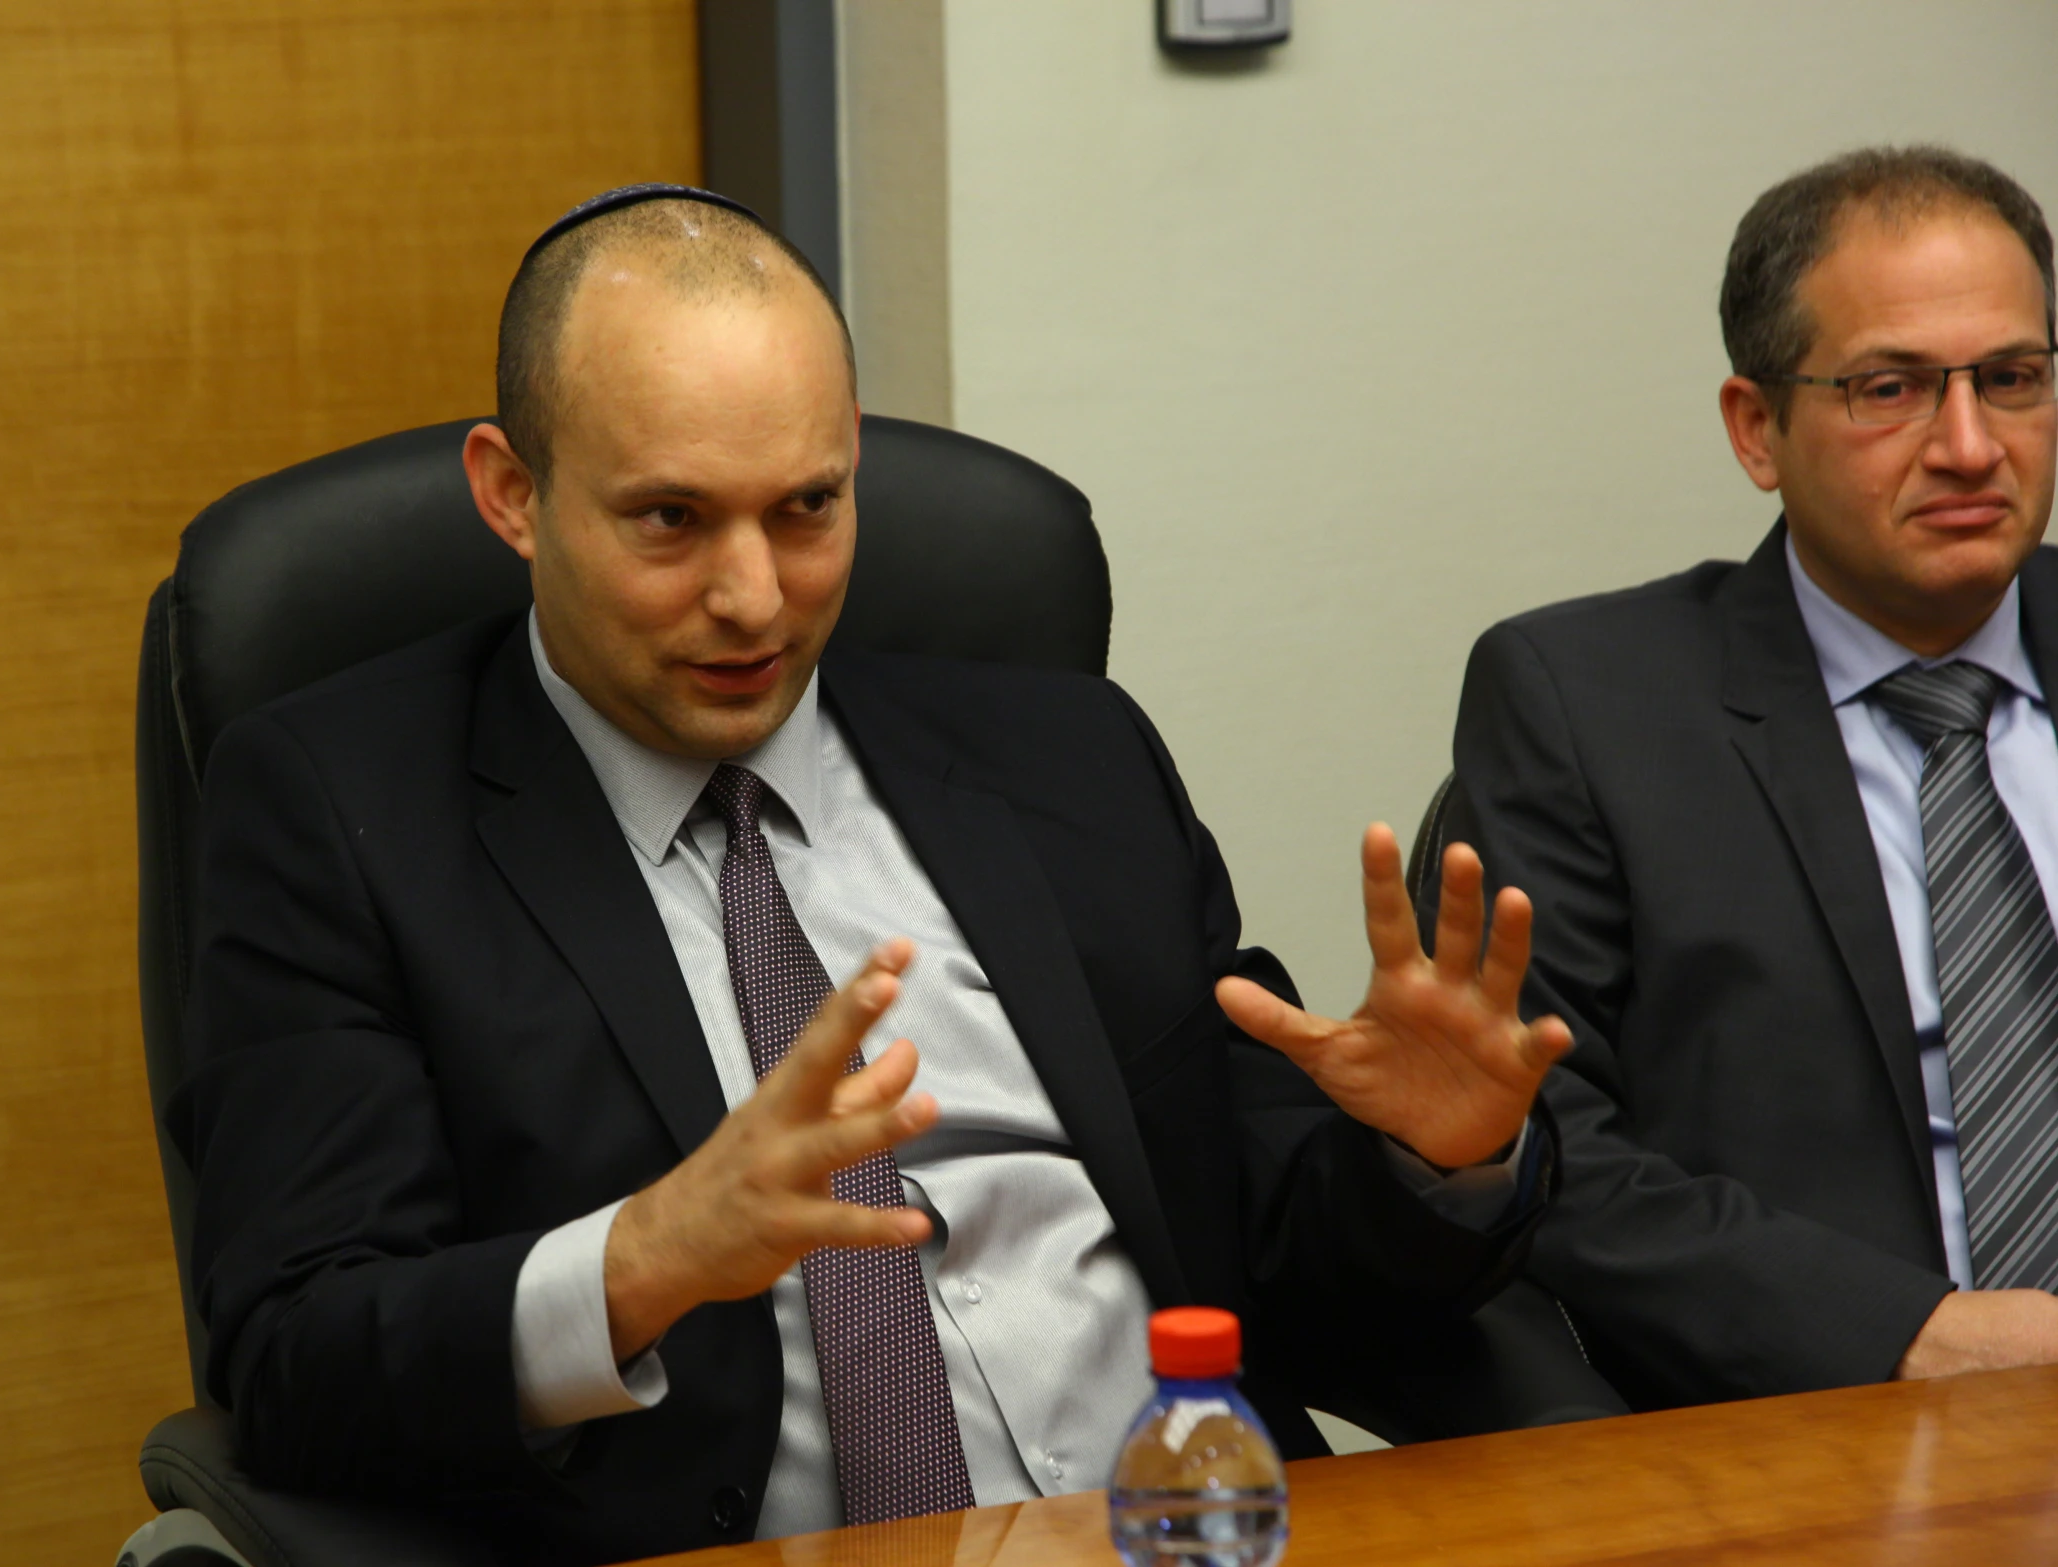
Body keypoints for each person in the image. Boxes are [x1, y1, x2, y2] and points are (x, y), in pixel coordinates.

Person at [174, 184, 1570, 1560]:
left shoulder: (1067, 756)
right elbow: (297, 1358)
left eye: (804, 506)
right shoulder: (338, 812)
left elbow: (1279, 1255)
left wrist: (1432, 1160)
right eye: (669, 519)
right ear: (511, 493)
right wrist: (645, 1255)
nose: (753, 597)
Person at [1432, 146, 2058, 1413]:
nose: (1967, 443)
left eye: (2011, 379)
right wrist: (1916, 1332)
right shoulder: (1584, 703)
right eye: (1889, 388)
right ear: (1755, 429)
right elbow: (1544, 1142)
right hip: (1828, 1425)